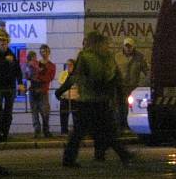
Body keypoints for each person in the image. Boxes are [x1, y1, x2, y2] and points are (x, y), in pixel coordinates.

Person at [57, 31, 133, 167]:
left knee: (83, 132)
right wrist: (120, 94)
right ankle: (122, 155)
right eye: (105, 43)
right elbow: (116, 78)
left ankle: (70, 159)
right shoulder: (105, 57)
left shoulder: (87, 57)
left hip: (89, 101)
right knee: (106, 131)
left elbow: (76, 77)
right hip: (99, 100)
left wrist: (61, 90)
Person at [0, 29, 24, 140]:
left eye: (5, 43)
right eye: (2, 44)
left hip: (10, 87)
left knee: (8, 112)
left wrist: (20, 83)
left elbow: (18, 70)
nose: (4, 45)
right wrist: (6, 61)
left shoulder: (11, 54)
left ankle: (5, 134)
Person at [116, 37, 150, 128]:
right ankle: (122, 126)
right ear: (123, 46)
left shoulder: (140, 57)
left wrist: (143, 85)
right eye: (126, 46)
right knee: (121, 108)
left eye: (130, 46)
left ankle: (131, 125)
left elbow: (147, 72)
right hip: (121, 87)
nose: (128, 48)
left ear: (133, 47)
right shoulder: (117, 57)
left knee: (133, 107)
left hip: (133, 88)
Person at [34, 44, 56, 137]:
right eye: (42, 51)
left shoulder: (51, 65)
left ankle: (46, 130)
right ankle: (37, 131)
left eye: (46, 51)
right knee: (35, 111)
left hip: (44, 90)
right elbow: (32, 75)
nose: (44, 53)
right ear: (40, 52)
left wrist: (39, 78)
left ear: (49, 52)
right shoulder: (36, 64)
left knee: (45, 111)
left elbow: (50, 77)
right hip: (34, 90)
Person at [57, 58, 78, 135]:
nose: (68, 66)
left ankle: (76, 132)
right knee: (64, 115)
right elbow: (61, 82)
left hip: (74, 98)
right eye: (67, 64)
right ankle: (64, 131)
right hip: (65, 97)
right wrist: (68, 74)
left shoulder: (77, 74)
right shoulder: (63, 73)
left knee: (76, 116)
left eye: (70, 64)